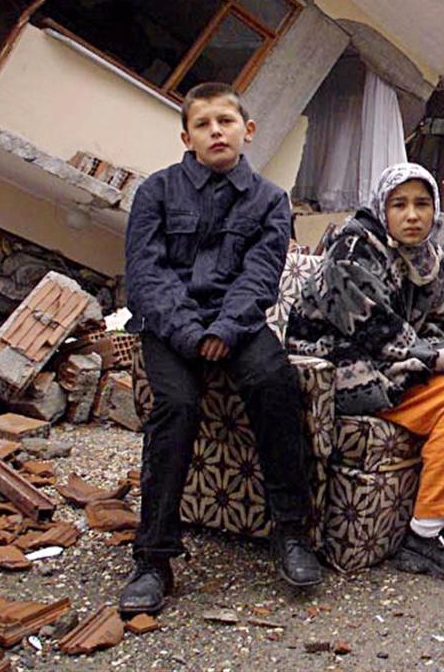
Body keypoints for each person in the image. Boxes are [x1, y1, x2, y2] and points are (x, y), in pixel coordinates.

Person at [121, 82, 321, 616]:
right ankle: (153, 557)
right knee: (177, 405)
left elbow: (260, 279)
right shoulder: (156, 192)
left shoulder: (270, 200)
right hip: (169, 327)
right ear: (187, 136)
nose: (216, 132)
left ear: (247, 131)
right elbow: (145, 276)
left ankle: (291, 531)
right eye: (204, 124)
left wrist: (226, 329)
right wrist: (190, 333)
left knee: (275, 382)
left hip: (236, 323)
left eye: (226, 122)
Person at [288, 164, 444, 580]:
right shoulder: (353, 250)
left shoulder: (429, 258)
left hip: (389, 364)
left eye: (422, 204)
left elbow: (441, 326)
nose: (412, 215)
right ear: (381, 208)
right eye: (399, 204)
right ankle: (424, 534)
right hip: (339, 369)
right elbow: (374, 331)